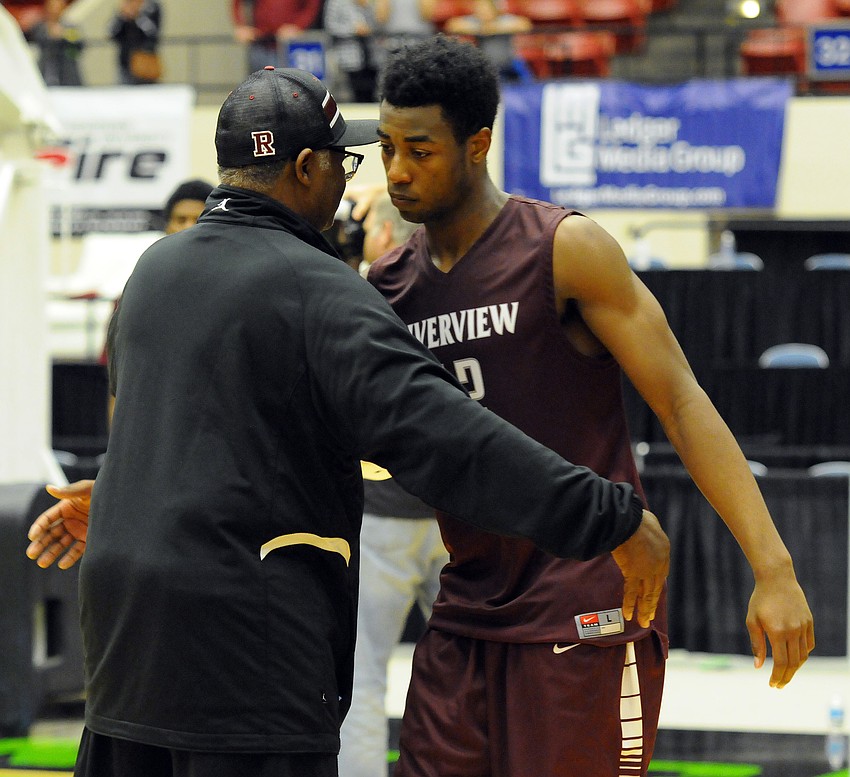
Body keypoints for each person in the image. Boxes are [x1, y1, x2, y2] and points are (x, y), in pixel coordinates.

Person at [25, 65, 669, 777]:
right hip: (248, 668)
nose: (358, 176)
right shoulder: (319, 289)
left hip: (122, 658)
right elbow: (448, 440)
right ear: (306, 167)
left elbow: (184, 428)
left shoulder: (153, 272)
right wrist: (609, 515)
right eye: (345, 159)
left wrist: (130, 498)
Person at [368, 34, 815, 777]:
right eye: (386, 148)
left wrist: (775, 569)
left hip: (587, 608)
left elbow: (681, 400)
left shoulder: (564, 249)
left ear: (478, 143)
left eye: (420, 149)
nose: (398, 171)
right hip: (466, 610)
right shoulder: (389, 287)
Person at [338, 194, 446, 777]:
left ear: (382, 233)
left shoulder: (362, 293)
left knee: (359, 675)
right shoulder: (457, 289)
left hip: (382, 512)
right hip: (456, 511)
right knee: (473, 668)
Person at [232, 0, 323, 73]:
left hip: (290, 47)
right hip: (260, 43)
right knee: (256, 89)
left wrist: (298, 26)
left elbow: (312, 6)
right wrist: (241, 26)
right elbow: (237, 3)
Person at [25, 0, 84, 86]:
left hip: (67, 71)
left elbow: (79, 45)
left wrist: (63, 35)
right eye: (52, 7)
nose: (54, 10)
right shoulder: (40, 27)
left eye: (57, 7)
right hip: (46, 70)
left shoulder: (70, 27)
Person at [108, 0, 161, 84]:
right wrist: (122, 17)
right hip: (125, 62)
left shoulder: (151, 7)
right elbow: (112, 33)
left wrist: (138, 16)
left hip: (144, 60)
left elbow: (152, 34)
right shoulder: (123, 11)